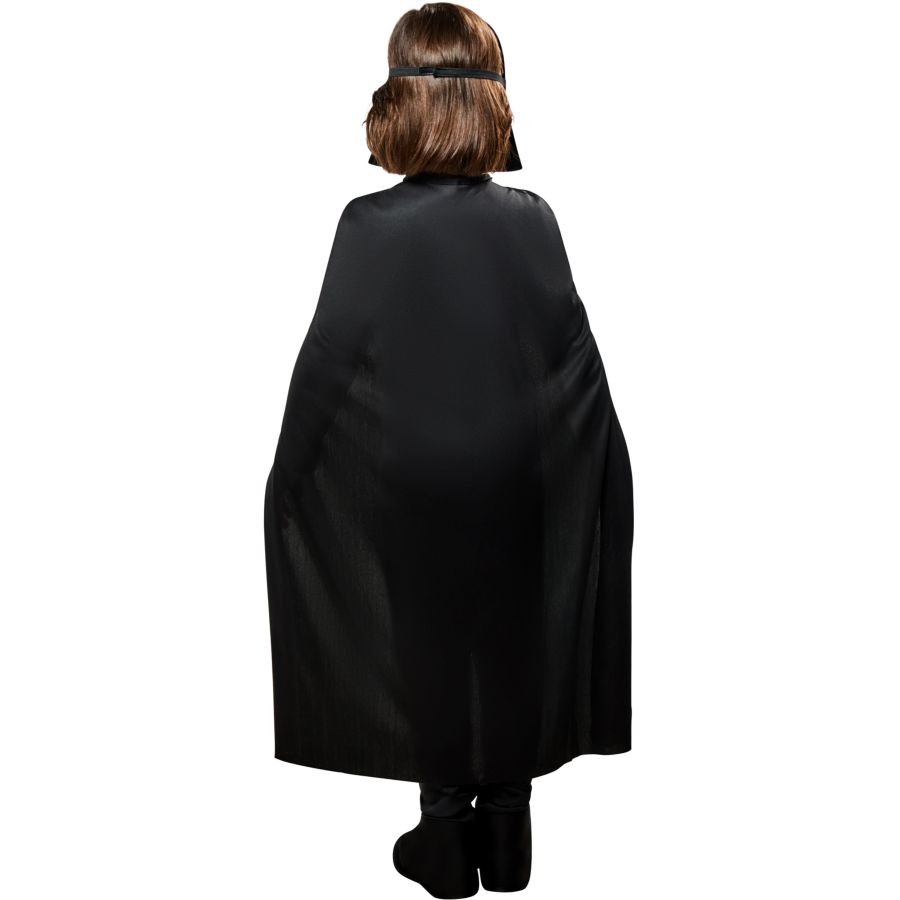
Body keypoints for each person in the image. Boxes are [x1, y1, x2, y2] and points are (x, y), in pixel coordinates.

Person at [263, 4, 634, 897]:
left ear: (399, 101)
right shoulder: (533, 218)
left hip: (414, 483)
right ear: (493, 104)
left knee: (427, 645)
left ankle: (443, 837)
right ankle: (507, 833)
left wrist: (289, 480)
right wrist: (605, 471)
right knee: (513, 642)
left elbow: (327, 367)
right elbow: (573, 358)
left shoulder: (369, 224)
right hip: (523, 477)